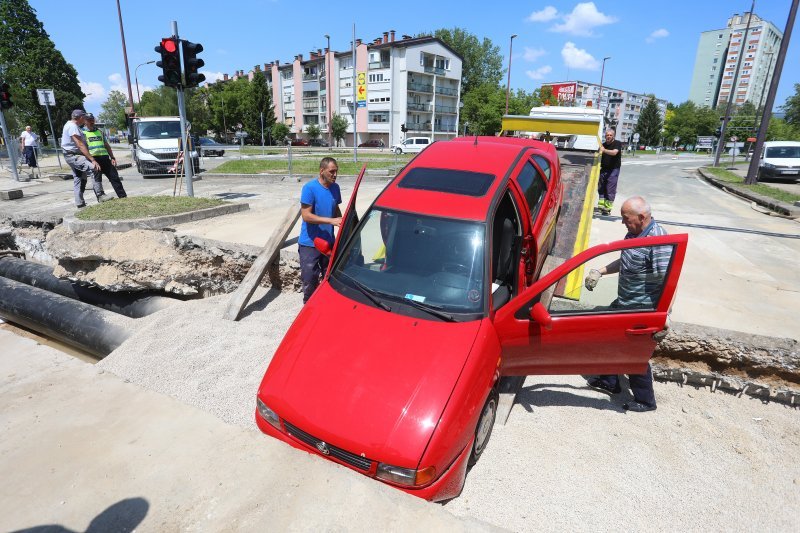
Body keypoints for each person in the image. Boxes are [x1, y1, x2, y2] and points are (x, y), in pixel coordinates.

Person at [583, 196, 671, 412]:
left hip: (643, 308)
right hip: (625, 302)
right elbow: (626, 262)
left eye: (626, 218)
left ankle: (645, 400)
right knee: (609, 336)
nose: (623, 222)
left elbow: (669, 279)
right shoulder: (633, 233)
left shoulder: (658, 241)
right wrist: (600, 271)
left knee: (634, 353)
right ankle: (610, 381)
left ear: (641, 217)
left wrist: (664, 316)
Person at [298, 157, 342, 303]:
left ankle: (327, 306)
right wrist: (331, 221)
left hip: (329, 242)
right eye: (331, 171)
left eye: (336, 171)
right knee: (309, 279)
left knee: (330, 278)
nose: (335, 175)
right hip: (310, 243)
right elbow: (306, 216)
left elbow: (336, 209)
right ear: (322, 171)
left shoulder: (336, 188)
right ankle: (308, 307)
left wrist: (344, 222)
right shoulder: (309, 188)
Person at [61, 109, 111, 208]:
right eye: (83, 117)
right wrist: (92, 160)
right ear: (80, 118)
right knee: (95, 169)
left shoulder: (71, 125)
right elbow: (80, 144)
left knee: (79, 178)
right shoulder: (72, 127)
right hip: (74, 156)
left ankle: (80, 203)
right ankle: (100, 195)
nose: (84, 119)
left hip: (73, 155)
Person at [83, 114, 127, 199]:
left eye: (92, 119)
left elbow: (106, 145)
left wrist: (112, 157)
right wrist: (91, 160)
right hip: (94, 159)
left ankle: (122, 196)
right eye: (89, 120)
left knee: (114, 177)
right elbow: (83, 148)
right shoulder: (83, 133)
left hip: (105, 158)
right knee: (97, 179)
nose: (91, 121)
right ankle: (101, 198)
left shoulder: (100, 132)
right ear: (85, 121)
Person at [597, 128, 622, 216]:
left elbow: (614, 152)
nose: (609, 136)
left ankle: (607, 209)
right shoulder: (603, 145)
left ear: (613, 136)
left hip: (613, 169)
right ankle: (601, 206)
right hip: (604, 169)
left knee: (610, 188)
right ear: (605, 136)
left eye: (610, 135)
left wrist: (604, 150)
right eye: (607, 135)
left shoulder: (617, 143)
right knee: (601, 187)